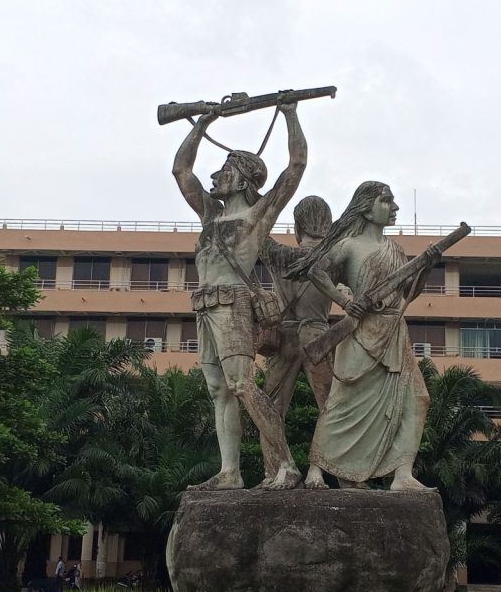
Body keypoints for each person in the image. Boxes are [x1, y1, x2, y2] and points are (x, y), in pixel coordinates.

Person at [171, 102, 309, 490]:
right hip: (203, 303)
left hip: (232, 303)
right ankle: (230, 472)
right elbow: (181, 170)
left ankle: (285, 464)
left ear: (245, 179)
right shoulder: (210, 214)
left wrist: (290, 113)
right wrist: (202, 122)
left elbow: (295, 166)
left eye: (226, 170)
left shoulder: (257, 215)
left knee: (242, 384)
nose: (216, 175)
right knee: (219, 390)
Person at [287, 181, 435, 490]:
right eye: (386, 201)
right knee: (342, 401)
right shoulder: (349, 245)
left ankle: (402, 474)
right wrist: (345, 302)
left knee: (418, 398)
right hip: (361, 330)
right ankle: (316, 468)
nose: (394, 208)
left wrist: (425, 270)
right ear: (367, 207)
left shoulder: (395, 249)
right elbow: (316, 271)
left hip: (394, 332)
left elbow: (407, 293)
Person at [258, 195, 337, 473]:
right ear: (328, 225)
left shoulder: (279, 255)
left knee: (271, 407)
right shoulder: (333, 258)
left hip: (285, 336)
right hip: (319, 334)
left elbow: (256, 228)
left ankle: (275, 470)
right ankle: (333, 473)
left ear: (296, 228)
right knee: (331, 407)